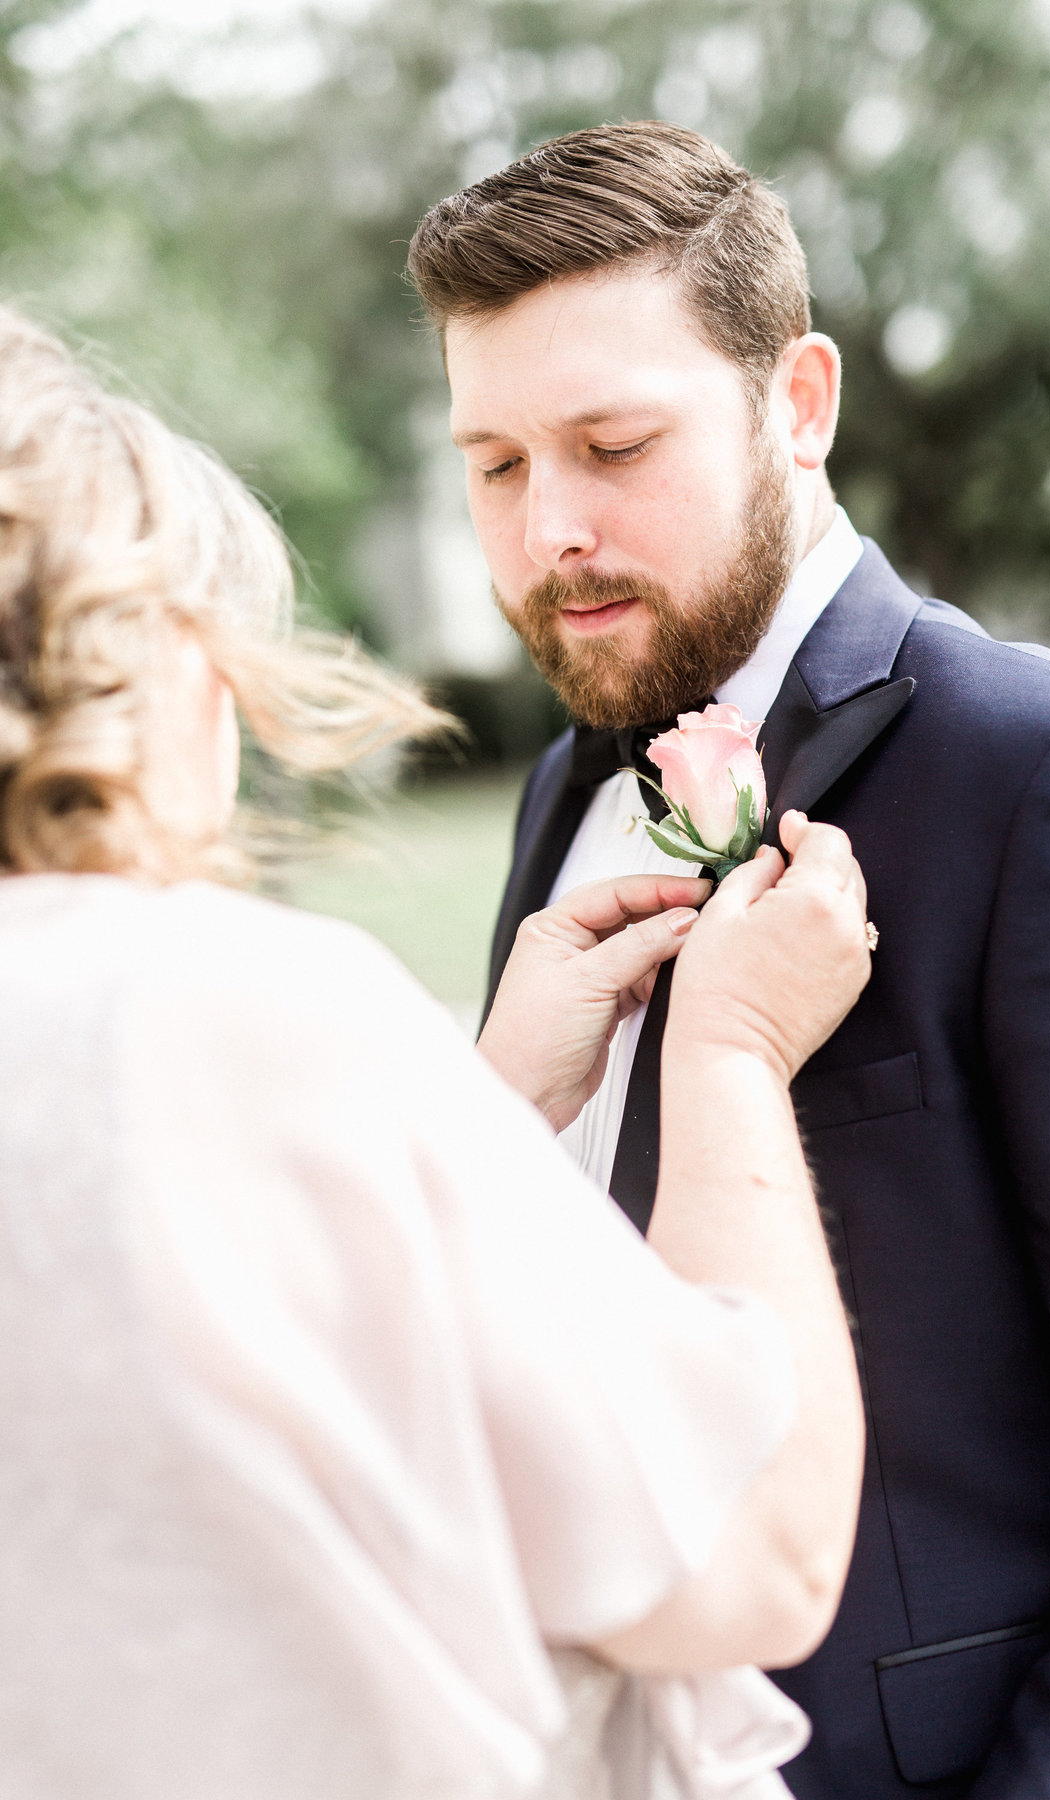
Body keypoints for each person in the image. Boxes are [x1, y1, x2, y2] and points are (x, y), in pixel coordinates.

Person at [407, 121, 1050, 1799]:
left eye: (614, 443)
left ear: (801, 403)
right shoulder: (570, 782)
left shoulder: (1048, 776)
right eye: (494, 464)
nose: (551, 529)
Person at [0, 304, 873, 1800]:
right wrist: (725, 1047)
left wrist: (476, 1114)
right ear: (176, 669)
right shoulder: (237, 1008)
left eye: (616, 447)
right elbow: (759, 1548)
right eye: (492, 465)